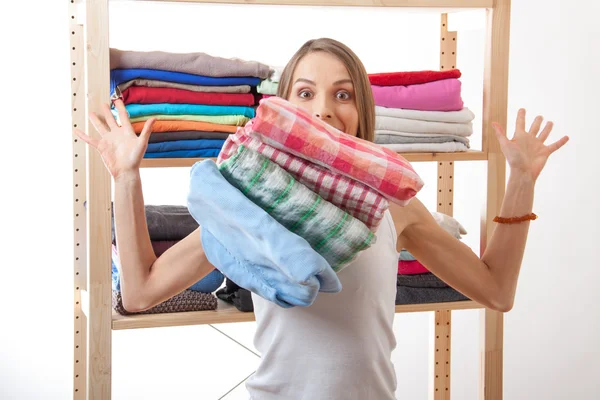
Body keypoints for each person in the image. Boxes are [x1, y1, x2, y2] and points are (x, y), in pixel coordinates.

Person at [74, 38, 569, 400]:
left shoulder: (391, 202)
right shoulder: (252, 199)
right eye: (306, 93)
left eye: (343, 94)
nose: (325, 110)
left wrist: (521, 178)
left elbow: (496, 291)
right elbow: (139, 294)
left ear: (361, 109)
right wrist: (126, 175)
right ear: (282, 106)